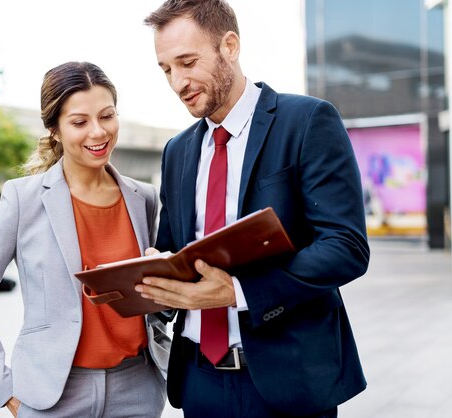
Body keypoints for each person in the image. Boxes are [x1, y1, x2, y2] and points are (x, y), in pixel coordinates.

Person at [134, 1, 370, 417]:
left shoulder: (308, 121)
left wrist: (238, 293)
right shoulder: (177, 152)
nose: (177, 82)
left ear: (230, 45)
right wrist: (158, 279)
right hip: (199, 382)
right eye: (166, 69)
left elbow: (345, 246)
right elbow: (174, 251)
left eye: (187, 62)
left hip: (289, 381)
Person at [0, 61, 169, 418]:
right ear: (55, 130)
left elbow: (158, 299)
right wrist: (5, 389)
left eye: (107, 116)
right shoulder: (23, 199)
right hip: (54, 397)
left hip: (137, 391)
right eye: (79, 122)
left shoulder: (144, 198)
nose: (98, 132)